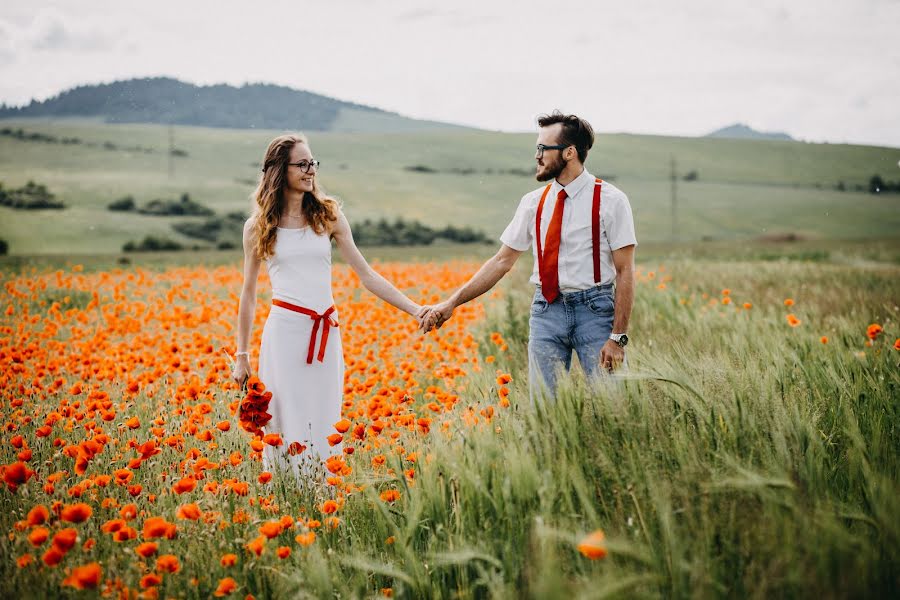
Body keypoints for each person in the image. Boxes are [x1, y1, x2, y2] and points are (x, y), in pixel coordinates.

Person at [231, 133, 429, 478]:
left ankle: (323, 493)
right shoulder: (258, 227)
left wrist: (415, 309)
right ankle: (285, 495)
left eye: (313, 163)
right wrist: (242, 356)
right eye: (303, 164)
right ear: (280, 170)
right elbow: (248, 294)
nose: (311, 171)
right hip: (284, 336)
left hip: (325, 333)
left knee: (323, 415)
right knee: (284, 417)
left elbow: (366, 275)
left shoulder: (329, 216)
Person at [422, 111, 637, 397]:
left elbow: (625, 271)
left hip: (595, 311)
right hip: (546, 311)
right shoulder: (533, 203)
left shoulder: (611, 200)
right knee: (544, 411)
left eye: (542, 148)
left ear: (569, 152)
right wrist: (451, 303)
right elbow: (501, 261)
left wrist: (617, 338)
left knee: (613, 403)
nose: (537, 156)